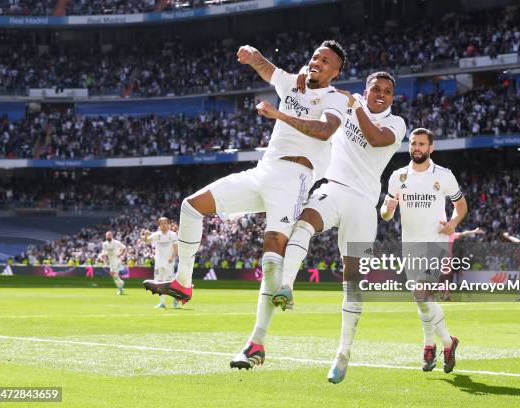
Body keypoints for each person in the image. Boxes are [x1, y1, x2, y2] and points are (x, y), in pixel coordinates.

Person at [143, 40, 349, 370]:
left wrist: (278, 113)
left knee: (271, 255)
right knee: (192, 206)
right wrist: (255, 58)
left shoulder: (336, 99)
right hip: (263, 171)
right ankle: (183, 283)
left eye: (325, 61)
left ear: (336, 71)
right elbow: (272, 71)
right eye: (314, 57)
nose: (317, 62)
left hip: (295, 175)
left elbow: (325, 130)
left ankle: (257, 343)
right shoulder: (292, 83)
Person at [271, 71, 406, 383]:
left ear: (392, 97)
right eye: (376, 89)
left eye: (387, 91)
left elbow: (375, 138)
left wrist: (355, 105)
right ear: (367, 89)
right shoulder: (345, 105)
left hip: (363, 203)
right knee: (303, 222)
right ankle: (286, 287)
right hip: (333, 187)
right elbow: (316, 110)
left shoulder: (395, 123)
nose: (381, 94)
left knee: (352, 280)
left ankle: (343, 353)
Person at [381, 128, 467, 374]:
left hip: (435, 244)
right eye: (413, 144)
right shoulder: (398, 176)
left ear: (431, 148)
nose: (416, 148)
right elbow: (386, 215)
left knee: (421, 294)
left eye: (421, 144)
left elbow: (460, 205)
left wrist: (453, 223)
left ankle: (433, 346)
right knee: (423, 302)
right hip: (410, 246)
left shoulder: (444, 175)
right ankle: (443, 343)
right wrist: (388, 209)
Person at [142, 217, 179, 308]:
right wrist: (145, 235)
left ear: (168, 224)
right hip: (159, 262)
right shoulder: (156, 234)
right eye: (161, 223)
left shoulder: (173, 235)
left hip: (169, 262)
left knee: (169, 282)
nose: (163, 225)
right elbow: (146, 241)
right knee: (159, 282)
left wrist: (172, 257)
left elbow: (176, 249)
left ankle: (176, 298)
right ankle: (162, 303)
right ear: (159, 225)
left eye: (165, 223)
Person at [100, 231, 127, 295]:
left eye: (109, 235)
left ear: (112, 235)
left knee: (113, 273)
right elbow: (104, 252)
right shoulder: (105, 244)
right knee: (114, 275)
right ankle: (120, 285)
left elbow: (124, 248)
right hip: (110, 260)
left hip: (116, 259)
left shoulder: (117, 242)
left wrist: (121, 254)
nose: (107, 236)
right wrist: (103, 257)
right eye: (106, 235)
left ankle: (120, 287)